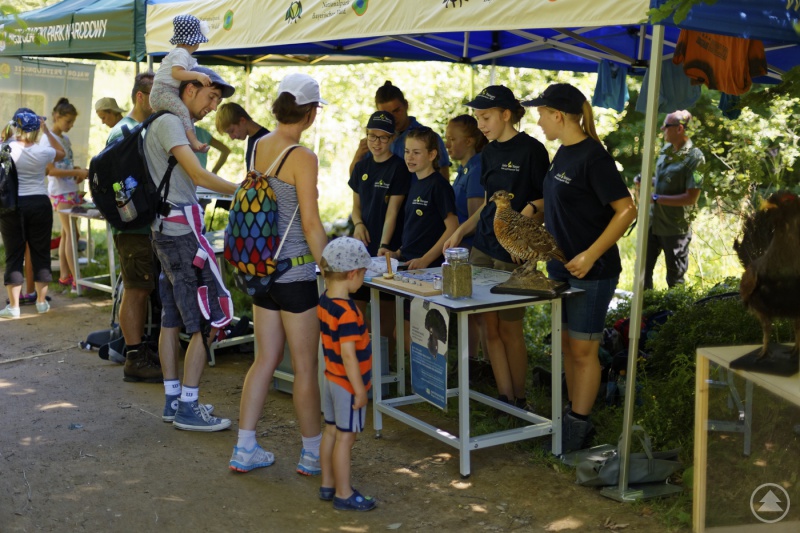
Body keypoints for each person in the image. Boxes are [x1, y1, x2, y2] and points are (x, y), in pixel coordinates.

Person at [523, 83, 637, 452]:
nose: (538, 121)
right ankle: (570, 414)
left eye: (541, 114)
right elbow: (561, 201)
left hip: (594, 269)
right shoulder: (564, 154)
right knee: (569, 346)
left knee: (584, 350)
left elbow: (627, 210)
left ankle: (578, 429)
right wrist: (528, 219)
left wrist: (589, 254)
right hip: (561, 266)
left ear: (558, 115)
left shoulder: (593, 157)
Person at [229, 73, 328, 473]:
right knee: (305, 367)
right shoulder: (302, 157)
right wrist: (332, 269)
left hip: (262, 271)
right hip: (295, 275)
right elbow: (311, 225)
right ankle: (311, 453)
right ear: (310, 113)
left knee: (264, 360)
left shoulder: (261, 146)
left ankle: (244, 447)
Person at [144, 66, 239, 430]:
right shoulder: (169, 123)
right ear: (188, 90)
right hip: (182, 237)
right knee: (209, 318)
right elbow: (199, 177)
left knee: (171, 317)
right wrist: (244, 190)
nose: (213, 106)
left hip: (168, 233)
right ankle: (188, 405)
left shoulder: (167, 123)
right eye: (211, 97)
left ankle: (174, 400)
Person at [443, 86, 549, 409]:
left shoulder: (533, 150)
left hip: (514, 251)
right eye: (477, 118)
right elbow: (488, 203)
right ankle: (503, 400)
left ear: (506, 114)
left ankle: (521, 399)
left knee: (510, 326)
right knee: (487, 323)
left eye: (485, 117)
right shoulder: (487, 153)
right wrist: (461, 230)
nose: (481, 125)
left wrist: (529, 212)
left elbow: (548, 199)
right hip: (484, 245)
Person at [104, 71, 163, 382]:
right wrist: (133, 218)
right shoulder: (123, 132)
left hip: (141, 225)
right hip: (132, 228)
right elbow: (119, 187)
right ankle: (134, 356)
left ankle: (139, 350)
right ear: (140, 97)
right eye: (155, 96)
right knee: (136, 290)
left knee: (141, 288)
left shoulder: (138, 129)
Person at [317, 237, 377, 511]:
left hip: (330, 378)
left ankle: (328, 484)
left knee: (330, 431)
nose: (363, 279)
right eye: (363, 273)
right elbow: (349, 354)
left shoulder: (325, 301)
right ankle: (343, 493)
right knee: (346, 437)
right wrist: (361, 390)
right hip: (347, 384)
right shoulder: (348, 312)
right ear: (353, 273)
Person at [384, 127, 458, 349]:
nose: (409, 157)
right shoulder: (413, 181)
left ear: (432, 155)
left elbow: (452, 228)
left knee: (418, 335)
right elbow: (419, 227)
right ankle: (416, 382)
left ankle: (426, 382)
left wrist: (426, 259)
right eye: (407, 151)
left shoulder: (439, 185)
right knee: (406, 333)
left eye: (416, 152)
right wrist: (398, 251)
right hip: (410, 266)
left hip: (430, 271)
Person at [349, 111, 411, 354]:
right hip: (361, 245)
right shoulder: (361, 167)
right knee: (357, 306)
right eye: (372, 136)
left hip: (386, 248)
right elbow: (355, 208)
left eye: (383, 138)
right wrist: (358, 225)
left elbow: (393, 212)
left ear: (393, 138)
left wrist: (383, 245)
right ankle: (360, 358)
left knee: (386, 311)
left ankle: (385, 364)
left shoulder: (399, 168)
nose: (376, 142)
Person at [0, 109, 65, 318]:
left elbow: (4, 137)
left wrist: (9, 129)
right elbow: (61, 152)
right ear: (37, 129)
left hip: (13, 205)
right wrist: (46, 131)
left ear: (15, 127)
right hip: (40, 203)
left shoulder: (6, 148)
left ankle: (15, 307)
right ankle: (40, 302)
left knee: (14, 254)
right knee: (40, 253)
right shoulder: (42, 151)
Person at [643, 110, 705, 290]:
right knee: (642, 274)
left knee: (675, 281)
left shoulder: (697, 158)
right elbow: (665, 180)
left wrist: (656, 198)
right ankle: (645, 314)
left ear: (679, 129)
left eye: (666, 126)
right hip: (653, 223)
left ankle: (675, 316)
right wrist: (646, 181)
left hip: (675, 228)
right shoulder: (665, 150)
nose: (662, 129)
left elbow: (692, 197)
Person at [444, 114, 488, 360]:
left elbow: (474, 218)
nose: (447, 144)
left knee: (478, 314)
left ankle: (482, 364)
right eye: (446, 138)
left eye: (453, 139)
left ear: (470, 141)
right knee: (470, 312)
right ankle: (472, 362)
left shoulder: (478, 167)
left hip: (470, 248)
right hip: (460, 247)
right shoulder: (464, 168)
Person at [349, 81, 451, 179]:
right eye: (386, 114)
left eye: (396, 111)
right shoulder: (375, 141)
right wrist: (358, 156)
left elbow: (443, 179)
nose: (392, 117)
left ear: (406, 105)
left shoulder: (427, 137)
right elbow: (356, 180)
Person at [41, 98, 89, 292]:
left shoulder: (65, 139)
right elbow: (51, 170)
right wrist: (76, 173)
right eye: (68, 121)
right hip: (60, 192)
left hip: (69, 190)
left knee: (67, 233)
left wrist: (76, 170)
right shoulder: (47, 138)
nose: (70, 126)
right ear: (57, 117)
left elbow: (65, 165)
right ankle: (76, 279)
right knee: (72, 233)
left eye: (72, 122)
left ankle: (64, 276)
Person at [150, 14, 212, 153]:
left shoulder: (183, 54)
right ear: (190, 41)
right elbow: (177, 73)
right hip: (162, 92)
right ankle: (194, 142)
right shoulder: (181, 53)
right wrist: (198, 75)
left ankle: (190, 143)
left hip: (168, 92)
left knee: (186, 114)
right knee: (183, 111)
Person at [214, 102, 270, 169]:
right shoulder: (252, 140)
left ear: (242, 120)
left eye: (232, 131)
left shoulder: (267, 141)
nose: (232, 137)